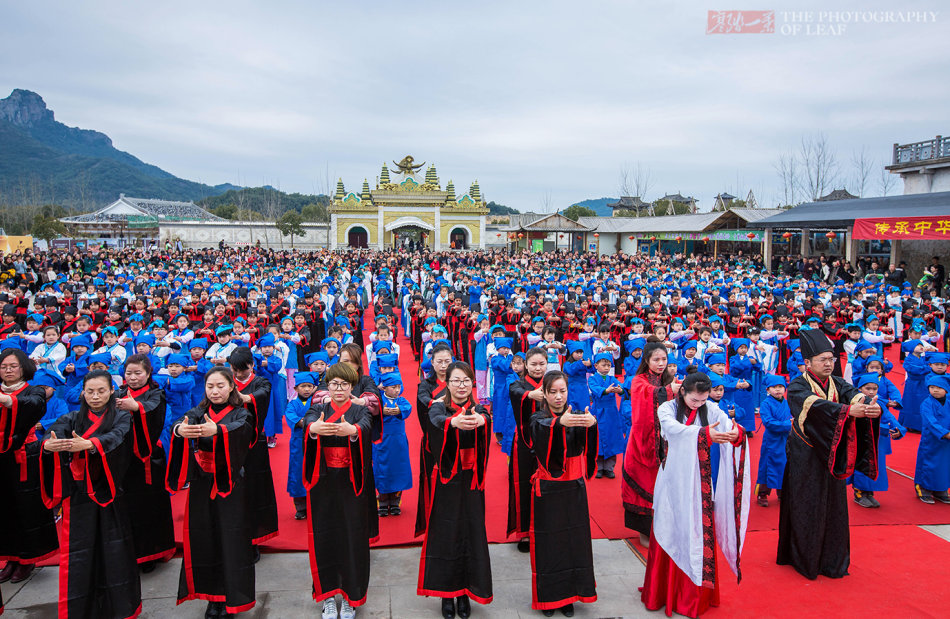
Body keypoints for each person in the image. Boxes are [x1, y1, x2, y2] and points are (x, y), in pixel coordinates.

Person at [641, 372, 749, 618]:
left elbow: (727, 424)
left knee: (697, 530)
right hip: (672, 479)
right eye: (694, 400)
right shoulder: (667, 408)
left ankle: (693, 595)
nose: (699, 404)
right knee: (670, 526)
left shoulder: (710, 408)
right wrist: (704, 435)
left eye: (702, 400)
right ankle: (663, 591)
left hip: (699, 479)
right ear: (682, 392)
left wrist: (735, 433)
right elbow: (673, 430)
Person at [777, 329, 882, 580]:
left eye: (831, 359)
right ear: (807, 362)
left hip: (833, 454)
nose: (828, 364)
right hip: (806, 455)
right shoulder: (797, 386)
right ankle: (803, 559)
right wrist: (847, 411)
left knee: (835, 506)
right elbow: (816, 407)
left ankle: (832, 560)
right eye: (823, 359)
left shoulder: (836, 382)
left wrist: (869, 406)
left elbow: (854, 394)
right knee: (807, 505)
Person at [40, 369, 141, 618]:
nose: (95, 396)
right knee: (80, 553)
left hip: (109, 493)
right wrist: (48, 444)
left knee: (114, 551)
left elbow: (119, 438)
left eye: (101, 391)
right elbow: (52, 433)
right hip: (79, 495)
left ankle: (120, 607)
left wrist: (92, 444)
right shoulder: (72, 418)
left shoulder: (121, 418)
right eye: (90, 391)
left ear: (111, 392)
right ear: (83, 392)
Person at [165, 366, 257, 617]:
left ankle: (232, 597)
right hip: (202, 482)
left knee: (231, 539)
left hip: (230, 484)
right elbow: (180, 422)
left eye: (220, 386)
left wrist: (218, 430)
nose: (215, 391)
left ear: (231, 387)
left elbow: (242, 430)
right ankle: (212, 596)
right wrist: (179, 430)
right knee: (204, 537)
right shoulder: (199, 411)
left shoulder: (241, 413)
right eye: (210, 386)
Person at [418, 361, 492, 619]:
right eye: (456, 381)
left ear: (473, 383)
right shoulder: (438, 405)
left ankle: (465, 591)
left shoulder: (478, 407)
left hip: (471, 478)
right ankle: (447, 594)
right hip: (447, 479)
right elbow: (436, 421)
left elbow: (486, 418)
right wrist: (453, 423)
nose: (461, 386)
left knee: (471, 531)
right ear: (446, 383)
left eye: (466, 381)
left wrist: (482, 419)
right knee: (446, 532)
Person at [302, 361, 376, 619]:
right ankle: (327, 596)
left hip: (351, 483)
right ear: (327, 385)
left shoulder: (359, 412)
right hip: (323, 482)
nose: (339, 389)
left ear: (352, 386)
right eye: (334, 384)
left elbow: (367, 427)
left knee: (352, 538)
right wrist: (313, 430)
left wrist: (353, 432)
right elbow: (307, 422)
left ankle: (350, 597)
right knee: (325, 537)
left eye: (344, 384)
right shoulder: (318, 409)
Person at [529, 370, 598, 617]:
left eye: (563, 391)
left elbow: (585, 445)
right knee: (550, 544)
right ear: (544, 394)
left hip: (574, 487)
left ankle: (570, 595)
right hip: (548, 489)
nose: (559, 397)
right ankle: (549, 597)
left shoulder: (577, 414)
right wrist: (558, 423)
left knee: (574, 542)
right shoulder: (538, 417)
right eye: (553, 392)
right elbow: (539, 431)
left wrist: (591, 425)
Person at [0, 348, 58, 584]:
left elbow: (35, 404)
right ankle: (11, 558)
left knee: (27, 507)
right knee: (5, 508)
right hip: (1, 457)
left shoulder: (32, 390)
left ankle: (29, 559)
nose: (8, 370)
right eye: (4, 366)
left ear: (23, 367)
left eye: (13, 366)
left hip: (25, 456)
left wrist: (8, 400)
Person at [116, 354, 176, 572]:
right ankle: (130, 551)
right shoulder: (120, 393)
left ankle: (152, 551)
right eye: (129, 373)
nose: (132, 378)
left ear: (148, 373)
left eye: (138, 373)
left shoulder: (155, 393)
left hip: (148, 458)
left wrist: (135, 407)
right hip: (124, 460)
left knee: (149, 506)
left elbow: (153, 412)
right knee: (126, 506)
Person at [622, 341, 678, 546]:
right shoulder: (639, 381)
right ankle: (645, 532)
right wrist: (671, 390)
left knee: (666, 488)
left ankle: (664, 529)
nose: (661, 363)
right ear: (647, 361)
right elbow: (652, 396)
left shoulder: (669, 379)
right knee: (646, 486)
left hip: (667, 442)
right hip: (644, 442)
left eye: (664, 359)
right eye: (656, 359)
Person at [229, 346, 279, 553]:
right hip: (229, 442)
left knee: (254, 487)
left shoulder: (260, 381)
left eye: (243, 369)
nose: (240, 374)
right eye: (236, 369)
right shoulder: (226, 382)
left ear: (251, 364)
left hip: (253, 442)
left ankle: (255, 538)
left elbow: (262, 394)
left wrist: (245, 398)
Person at [507, 347, 547, 552]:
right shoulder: (518, 384)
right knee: (523, 484)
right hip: (524, 441)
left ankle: (546, 530)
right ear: (526, 365)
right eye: (533, 364)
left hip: (550, 441)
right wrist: (531, 394)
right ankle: (524, 533)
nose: (538, 368)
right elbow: (515, 393)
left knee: (548, 486)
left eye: (541, 364)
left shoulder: (552, 383)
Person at [414, 343, 451, 537]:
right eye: (440, 361)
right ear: (432, 363)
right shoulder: (425, 385)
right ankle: (431, 524)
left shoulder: (458, 382)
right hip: (432, 441)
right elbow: (423, 403)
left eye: (447, 361)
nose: (444, 365)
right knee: (431, 481)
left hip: (456, 442)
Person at [374, 371, 412, 516]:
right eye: (393, 387)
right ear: (384, 388)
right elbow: (371, 411)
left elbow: (408, 408)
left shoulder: (401, 401)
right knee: (383, 469)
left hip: (399, 441)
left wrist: (399, 410)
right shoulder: (379, 401)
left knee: (399, 469)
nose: (397, 390)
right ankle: (383, 501)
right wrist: (381, 411)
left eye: (398, 387)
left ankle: (395, 502)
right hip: (382, 440)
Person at [755, 375, 792, 507]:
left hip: (786, 439)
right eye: (774, 387)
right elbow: (768, 422)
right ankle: (762, 493)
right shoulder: (766, 404)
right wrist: (788, 424)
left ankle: (783, 492)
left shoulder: (788, 403)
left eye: (780, 387)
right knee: (767, 466)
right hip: (771, 440)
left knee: (786, 465)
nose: (778, 390)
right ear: (768, 390)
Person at [913, 374, 950, 504]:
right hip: (932, 439)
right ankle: (924, 488)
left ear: (946, 389)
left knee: (944, 465)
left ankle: (940, 489)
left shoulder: (949, 401)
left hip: (946, 442)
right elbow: (930, 422)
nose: (935, 390)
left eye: (939, 387)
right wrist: (945, 433)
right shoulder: (927, 403)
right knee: (928, 463)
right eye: (932, 387)